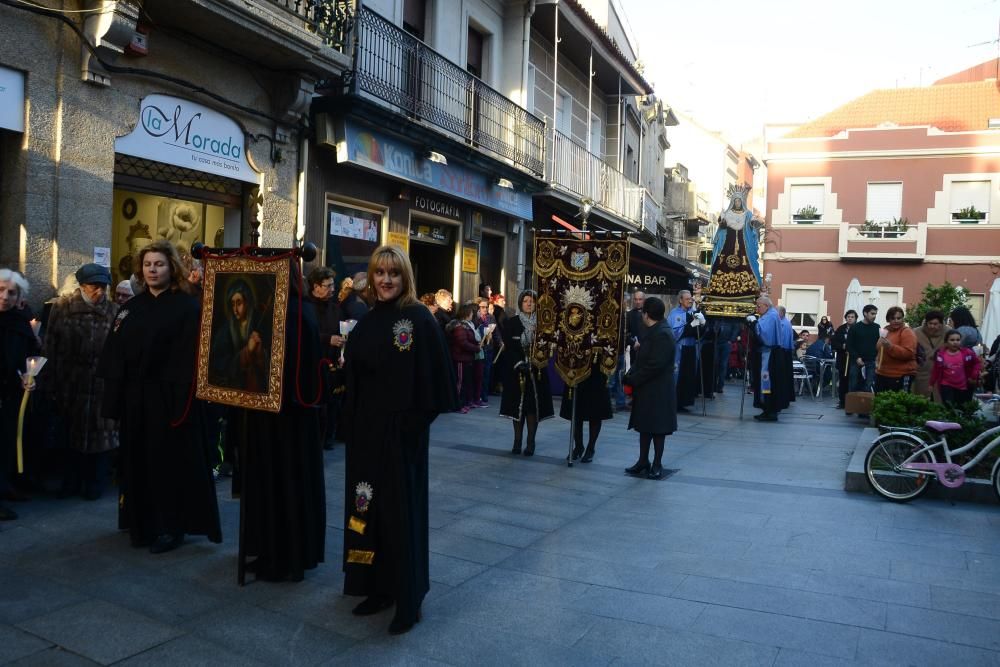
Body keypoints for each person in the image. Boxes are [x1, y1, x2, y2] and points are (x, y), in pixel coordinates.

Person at [341, 245, 457, 635]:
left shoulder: (419, 319)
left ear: (404, 277)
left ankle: (407, 598)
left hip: (400, 440)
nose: (386, 280)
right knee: (364, 511)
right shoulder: (370, 318)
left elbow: (438, 382)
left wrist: (410, 428)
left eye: (393, 273)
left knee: (399, 516)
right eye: (379, 273)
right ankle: (374, 586)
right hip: (365, 438)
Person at [98, 240, 221, 554]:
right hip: (135, 399)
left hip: (168, 400)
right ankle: (141, 522)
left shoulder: (186, 307)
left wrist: (179, 400)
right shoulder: (131, 307)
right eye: (148, 265)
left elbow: (189, 358)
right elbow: (114, 352)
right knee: (136, 461)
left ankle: (171, 527)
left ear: (172, 268)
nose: (152, 270)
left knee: (166, 464)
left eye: (159, 264)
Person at [240, 267, 326, 583]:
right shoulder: (264, 310)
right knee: (264, 484)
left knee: (286, 482)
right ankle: (265, 549)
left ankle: (288, 555)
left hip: (290, 418)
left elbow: (303, 368)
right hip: (263, 412)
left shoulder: (300, 312)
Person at [42, 263, 119, 500]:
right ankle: (71, 481)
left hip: (102, 383)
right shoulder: (62, 308)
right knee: (69, 432)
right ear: (83, 286)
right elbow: (50, 345)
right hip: (71, 381)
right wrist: (50, 381)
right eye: (94, 286)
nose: (99, 292)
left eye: (103, 286)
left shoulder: (114, 310)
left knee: (102, 435)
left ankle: (95, 482)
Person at [0, 270, 39, 522]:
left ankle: (5, 487)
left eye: (10, 293)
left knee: (6, 444)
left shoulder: (18, 322)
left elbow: (28, 354)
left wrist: (28, 375)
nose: (4, 297)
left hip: (10, 395)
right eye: (0, 291)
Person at [623, 297, 676, 479]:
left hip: (658, 390)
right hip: (647, 389)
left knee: (657, 428)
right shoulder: (653, 330)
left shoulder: (662, 334)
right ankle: (643, 461)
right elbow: (643, 358)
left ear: (646, 314)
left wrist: (633, 379)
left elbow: (655, 365)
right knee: (644, 426)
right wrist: (631, 375)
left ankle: (657, 463)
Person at [498, 290, 554, 456]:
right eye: (526, 301)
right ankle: (517, 440)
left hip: (537, 372)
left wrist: (537, 360)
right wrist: (519, 363)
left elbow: (546, 346)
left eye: (532, 301)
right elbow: (509, 347)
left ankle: (531, 441)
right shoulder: (512, 322)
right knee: (517, 407)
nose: (529, 303)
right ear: (520, 303)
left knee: (532, 408)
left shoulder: (542, 324)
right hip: (517, 371)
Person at [701, 183, 762, 317]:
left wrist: (755, 223)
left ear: (742, 202)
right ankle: (717, 287)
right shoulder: (727, 213)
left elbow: (753, 225)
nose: (738, 202)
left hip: (743, 244)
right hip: (727, 243)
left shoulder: (747, 214)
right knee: (721, 262)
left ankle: (749, 288)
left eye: (740, 200)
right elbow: (721, 226)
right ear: (732, 201)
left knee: (746, 263)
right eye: (735, 200)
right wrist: (722, 221)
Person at [208, 279, 270, 392]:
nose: (235, 309)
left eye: (239, 303)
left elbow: (272, 362)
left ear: (247, 302)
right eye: (232, 304)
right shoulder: (225, 330)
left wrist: (260, 353)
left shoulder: (259, 323)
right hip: (232, 390)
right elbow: (219, 363)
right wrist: (246, 353)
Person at [307, 267, 345, 450]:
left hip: (332, 364)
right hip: (312, 365)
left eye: (333, 285)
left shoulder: (334, 308)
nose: (332, 289)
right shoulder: (306, 306)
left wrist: (341, 353)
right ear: (316, 286)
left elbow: (339, 332)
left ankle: (329, 436)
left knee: (333, 403)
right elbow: (306, 334)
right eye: (328, 285)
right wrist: (327, 339)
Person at [560, 360, 612, 463]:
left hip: (596, 368)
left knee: (595, 411)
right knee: (576, 410)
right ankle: (578, 446)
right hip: (575, 367)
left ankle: (591, 448)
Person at [750, 296, 792, 422]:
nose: (757, 308)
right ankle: (766, 408)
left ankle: (770, 408)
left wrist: (753, 324)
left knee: (766, 381)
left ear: (766, 306)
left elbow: (765, 334)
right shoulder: (769, 315)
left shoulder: (771, 316)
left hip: (769, 355)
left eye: (759, 306)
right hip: (766, 354)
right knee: (764, 380)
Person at [668, 290, 703, 413]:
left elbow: (699, 334)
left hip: (691, 348)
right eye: (687, 299)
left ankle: (684, 402)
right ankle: (674, 402)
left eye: (691, 299)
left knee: (688, 375)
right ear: (680, 300)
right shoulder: (674, 313)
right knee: (678, 375)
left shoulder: (693, 313)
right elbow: (674, 333)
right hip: (679, 349)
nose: (690, 300)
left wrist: (702, 324)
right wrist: (690, 325)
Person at [448, 302, 485, 413]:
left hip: (467, 358)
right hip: (460, 358)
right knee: (459, 383)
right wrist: (476, 348)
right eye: (470, 313)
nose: (472, 315)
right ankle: (457, 405)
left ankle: (462, 403)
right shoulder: (460, 327)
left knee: (465, 383)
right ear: (465, 314)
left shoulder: (468, 325)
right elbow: (462, 343)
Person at [930, 329, 983, 406]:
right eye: (952, 340)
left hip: (963, 386)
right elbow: (936, 370)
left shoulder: (967, 353)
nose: (955, 342)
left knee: (961, 407)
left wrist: (974, 375)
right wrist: (931, 384)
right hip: (946, 385)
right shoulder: (941, 355)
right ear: (946, 342)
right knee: (949, 406)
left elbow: (977, 363)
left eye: (958, 340)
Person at [874, 306, 917, 393]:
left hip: (900, 375)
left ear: (902, 319)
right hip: (882, 373)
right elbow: (878, 348)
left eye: (899, 318)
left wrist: (891, 347)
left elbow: (909, 353)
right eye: (893, 318)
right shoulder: (885, 331)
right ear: (888, 319)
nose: (896, 321)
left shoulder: (907, 332)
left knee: (898, 404)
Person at [847, 304, 880, 394]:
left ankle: (865, 406)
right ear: (865, 313)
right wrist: (857, 357)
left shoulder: (877, 327)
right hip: (856, 361)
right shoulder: (855, 327)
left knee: (869, 386)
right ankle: (852, 405)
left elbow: (879, 345)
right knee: (853, 384)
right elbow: (849, 345)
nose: (874, 316)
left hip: (871, 361)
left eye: (875, 314)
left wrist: (877, 358)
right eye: (872, 314)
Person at [913, 310, 946, 399]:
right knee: (921, 401)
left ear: (941, 323)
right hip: (922, 373)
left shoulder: (948, 332)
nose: (932, 326)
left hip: (942, 374)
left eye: (935, 324)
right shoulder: (916, 332)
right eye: (930, 323)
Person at [474, 297, 498, 405]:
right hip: (479, 349)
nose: (485, 309)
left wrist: (501, 341)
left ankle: (484, 395)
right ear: (478, 307)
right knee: (479, 372)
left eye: (486, 307)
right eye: (482, 307)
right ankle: (477, 396)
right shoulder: (475, 318)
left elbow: (496, 332)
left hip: (489, 348)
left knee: (487, 372)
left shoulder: (491, 317)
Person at [831, 310, 857, 409]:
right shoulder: (841, 329)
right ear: (845, 318)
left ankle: (853, 402)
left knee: (854, 381)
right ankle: (842, 402)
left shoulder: (857, 328)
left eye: (852, 317)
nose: (850, 318)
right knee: (843, 381)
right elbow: (834, 343)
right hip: (843, 360)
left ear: (855, 318)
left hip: (854, 360)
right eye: (848, 316)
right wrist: (842, 346)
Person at [625, 291, 647, 366]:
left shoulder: (650, 314)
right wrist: (633, 342)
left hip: (648, 349)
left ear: (644, 300)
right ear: (633, 300)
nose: (638, 302)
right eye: (636, 299)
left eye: (640, 299)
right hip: (634, 349)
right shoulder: (629, 315)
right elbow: (625, 333)